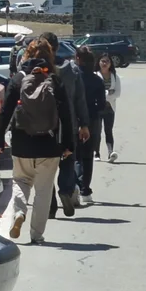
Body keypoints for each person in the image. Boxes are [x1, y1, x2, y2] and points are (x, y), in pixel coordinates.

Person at [0, 34, 77, 245]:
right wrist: (69, 145)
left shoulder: (18, 79)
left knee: (20, 182)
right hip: (50, 145)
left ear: (27, 54)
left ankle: (19, 213)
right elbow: (67, 116)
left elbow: (5, 112)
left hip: (22, 143)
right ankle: (37, 235)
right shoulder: (55, 80)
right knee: (43, 191)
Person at [66, 43, 107, 209]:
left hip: (73, 119)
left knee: (73, 155)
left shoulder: (73, 77)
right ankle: (85, 189)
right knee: (88, 156)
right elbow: (102, 104)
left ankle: (74, 184)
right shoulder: (97, 79)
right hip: (92, 120)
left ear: (78, 59)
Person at [98, 53, 122, 161]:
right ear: (98, 62)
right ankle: (96, 153)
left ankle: (110, 152)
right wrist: (109, 93)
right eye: (102, 61)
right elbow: (96, 93)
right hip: (97, 108)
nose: (104, 63)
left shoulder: (115, 76)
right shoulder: (95, 75)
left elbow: (117, 93)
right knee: (96, 131)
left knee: (108, 130)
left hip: (110, 108)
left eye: (107, 61)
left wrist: (105, 95)